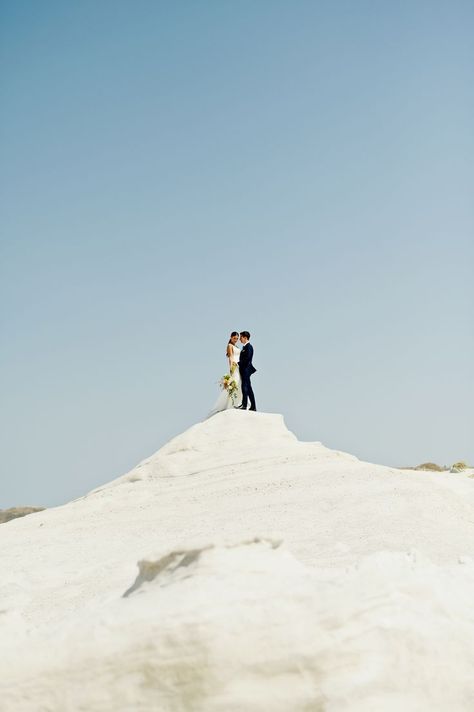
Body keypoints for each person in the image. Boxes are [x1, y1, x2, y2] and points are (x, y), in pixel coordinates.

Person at [208, 331, 243, 416]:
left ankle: (239, 402)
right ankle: (231, 404)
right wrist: (231, 368)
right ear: (231, 337)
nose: (235, 340)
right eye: (234, 338)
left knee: (239, 383)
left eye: (237, 339)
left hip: (239, 366)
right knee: (235, 382)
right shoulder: (230, 346)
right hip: (234, 366)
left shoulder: (236, 346)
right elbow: (231, 357)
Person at [235, 331, 257, 411]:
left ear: (245, 337)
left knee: (244, 386)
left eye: (241, 337)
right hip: (244, 370)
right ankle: (253, 406)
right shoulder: (245, 347)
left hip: (246, 370)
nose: (240, 339)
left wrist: (238, 363)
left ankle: (244, 405)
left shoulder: (249, 347)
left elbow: (247, 359)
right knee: (249, 388)